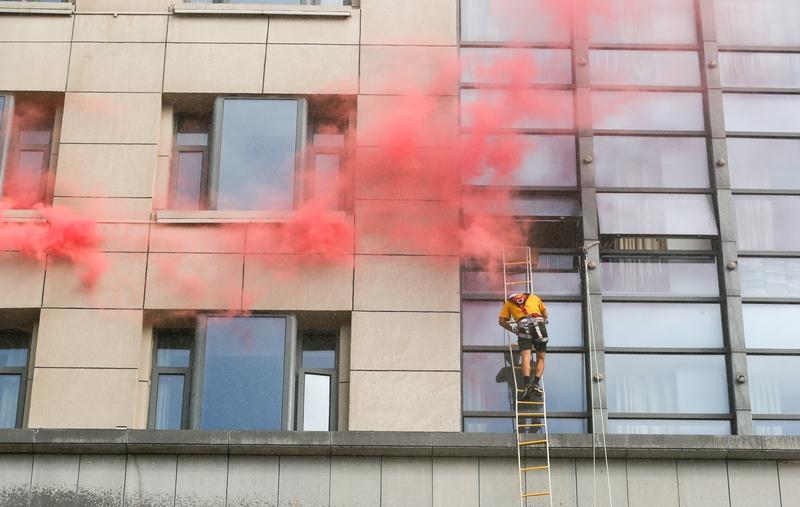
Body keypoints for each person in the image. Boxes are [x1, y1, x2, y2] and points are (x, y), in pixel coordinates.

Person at [498, 292, 549, 397]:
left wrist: (514, 330)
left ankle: (527, 384)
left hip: (523, 327)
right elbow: (546, 314)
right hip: (539, 325)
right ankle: (536, 383)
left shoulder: (509, 303)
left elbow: (502, 321)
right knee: (541, 357)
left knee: (525, 356)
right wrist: (544, 319)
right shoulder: (534, 297)